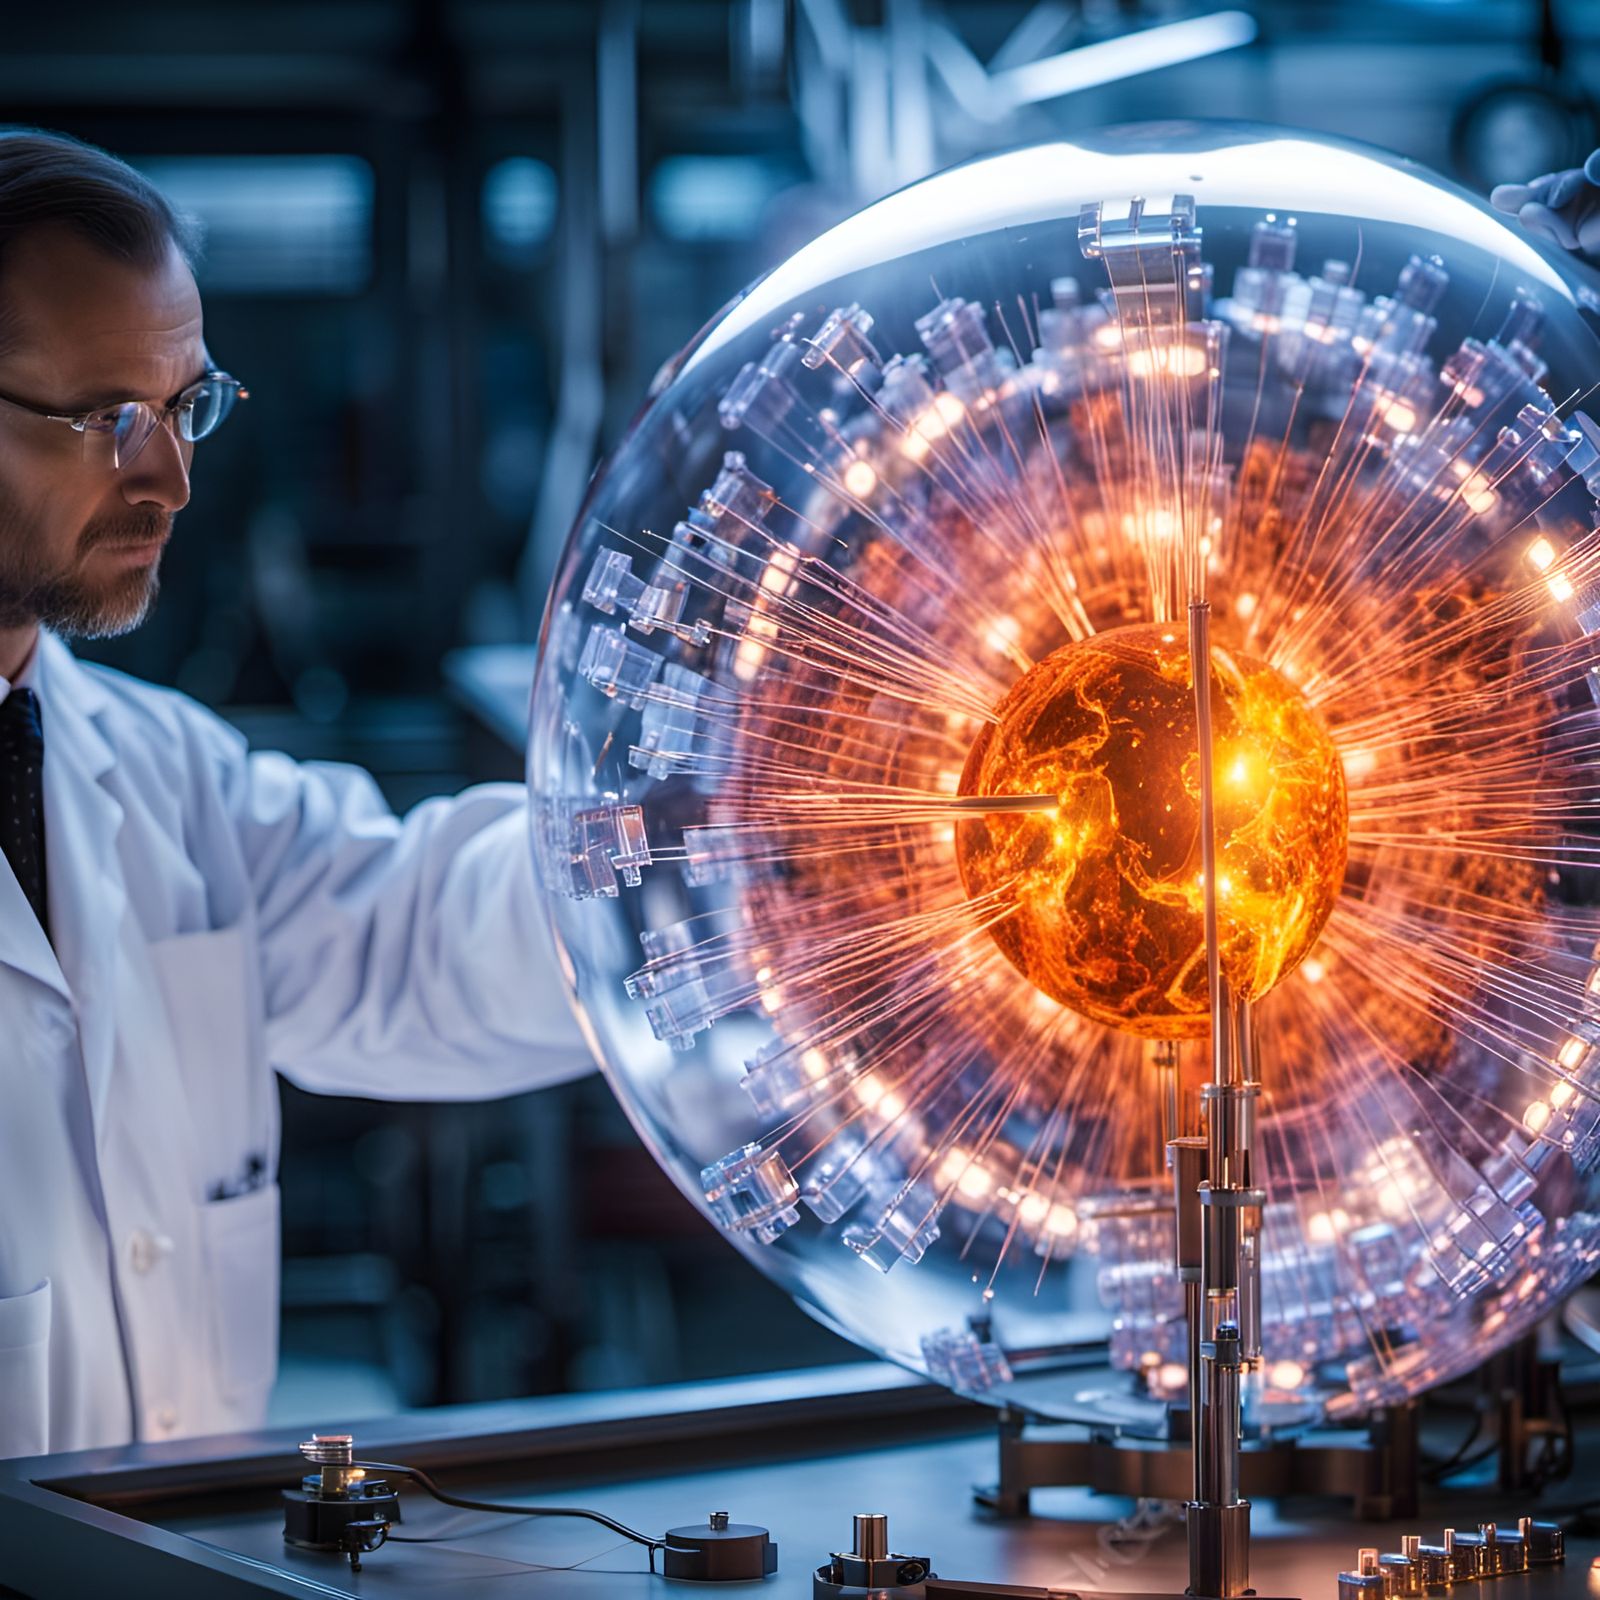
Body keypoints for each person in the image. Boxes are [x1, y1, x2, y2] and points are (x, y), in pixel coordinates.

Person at [0, 130, 594, 1460]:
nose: (170, 477)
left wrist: (769, 850)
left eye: (186, 404)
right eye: (108, 420)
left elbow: (420, 936)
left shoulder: (160, 776)